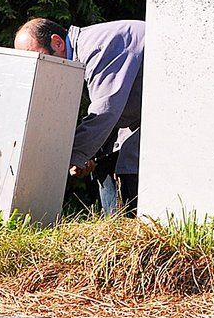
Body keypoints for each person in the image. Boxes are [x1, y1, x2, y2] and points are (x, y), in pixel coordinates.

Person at [14, 17, 144, 217]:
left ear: (57, 43)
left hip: (172, 112)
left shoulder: (100, 46)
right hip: (142, 117)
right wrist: (87, 154)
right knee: (110, 161)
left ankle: (131, 235)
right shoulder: (81, 53)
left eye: (36, 58)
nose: (36, 69)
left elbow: (105, 111)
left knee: (128, 166)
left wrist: (66, 158)